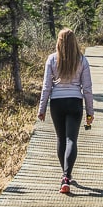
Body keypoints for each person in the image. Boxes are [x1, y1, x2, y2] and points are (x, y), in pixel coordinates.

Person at [37, 27, 94, 194]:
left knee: (61, 139)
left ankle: (65, 177)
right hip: (75, 102)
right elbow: (88, 88)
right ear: (74, 42)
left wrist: (42, 108)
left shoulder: (52, 60)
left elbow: (47, 87)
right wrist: (90, 111)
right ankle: (66, 176)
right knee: (71, 140)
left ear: (59, 42)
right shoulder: (82, 60)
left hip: (57, 103)